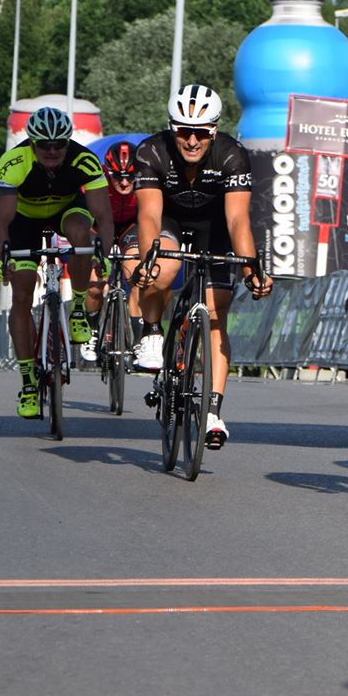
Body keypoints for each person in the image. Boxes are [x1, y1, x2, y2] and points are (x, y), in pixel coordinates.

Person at [132, 86, 273, 449]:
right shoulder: (151, 151)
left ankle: (212, 411)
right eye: (184, 131)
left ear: (214, 131)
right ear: (171, 129)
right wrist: (148, 259)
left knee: (215, 312)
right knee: (162, 269)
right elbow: (149, 215)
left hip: (216, 228)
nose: (192, 141)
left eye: (201, 133)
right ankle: (151, 331)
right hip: (170, 222)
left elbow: (238, 221)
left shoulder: (232, 155)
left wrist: (251, 271)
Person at [0, 105, 114, 418]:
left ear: (68, 142)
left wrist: (104, 253)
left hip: (66, 210)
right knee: (21, 294)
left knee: (82, 236)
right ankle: (28, 382)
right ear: (32, 143)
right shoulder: (13, 162)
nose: (53, 151)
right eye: (45, 145)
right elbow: (1, 221)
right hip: (23, 220)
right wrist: (3, 257)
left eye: (60, 144)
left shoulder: (84, 160)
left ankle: (78, 309)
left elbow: (103, 215)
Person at [78, 139, 145, 361]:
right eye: (118, 176)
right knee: (95, 283)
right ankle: (92, 330)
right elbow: (83, 215)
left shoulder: (145, 181)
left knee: (136, 276)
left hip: (130, 227)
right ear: (108, 171)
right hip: (100, 226)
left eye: (130, 177)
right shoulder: (96, 180)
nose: (124, 183)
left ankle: (139, 341)